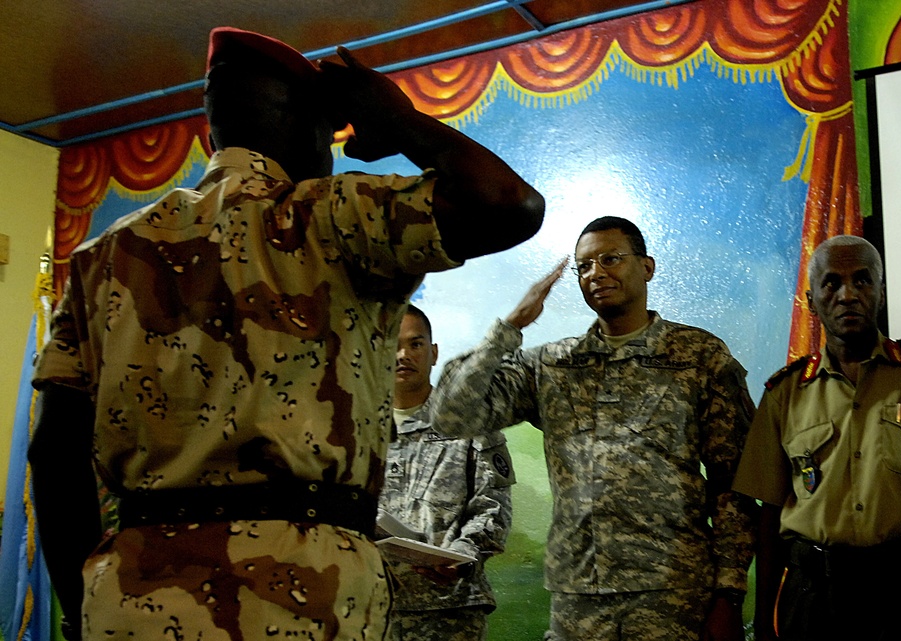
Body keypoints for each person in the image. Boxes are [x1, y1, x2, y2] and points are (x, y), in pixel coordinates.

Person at [27, 26, 544, 641]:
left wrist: (80, 612)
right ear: (302, 127)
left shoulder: (103, 255)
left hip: (133, 596)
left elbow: (54, 454)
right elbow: (510, 205)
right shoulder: (331, 215)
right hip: (301, 593)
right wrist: (399, 121)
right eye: (329, 135)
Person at [429, 216, 757, 641]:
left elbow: (734, 482)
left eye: (610, 259)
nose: (596, 273)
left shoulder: (698, 356)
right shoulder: (552, 365)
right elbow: (451, 415)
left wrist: (729, 592)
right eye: (584, 266)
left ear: (647, 267)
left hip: (671, 592)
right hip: (579, 596)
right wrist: (509, 328)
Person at [733, 234, 901, 641]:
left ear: (881, 292)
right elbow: (768, 518)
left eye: (862, 280)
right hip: (814, 600)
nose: (847, 294)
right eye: (831, 283)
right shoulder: (784, 394)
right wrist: (765, 623)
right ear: (811, 298)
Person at [379, 304, 514, 641]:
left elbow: (493, 507)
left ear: (434, 352)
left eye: (415, 344)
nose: (403, 355)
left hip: (448, 613)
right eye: (392, 344)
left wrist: (465, 554)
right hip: (367, 608)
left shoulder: (472, 423)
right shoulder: (352, 428)